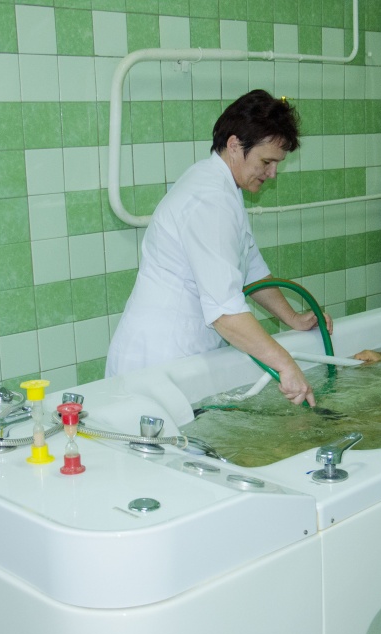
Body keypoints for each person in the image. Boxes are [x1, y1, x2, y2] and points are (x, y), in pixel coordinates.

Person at [105, 90, 330, 406]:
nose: (272, 173)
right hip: (158, 361)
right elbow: (225, 312)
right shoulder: (210, 200)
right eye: (266, 162)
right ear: (235, 145)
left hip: (182, 357)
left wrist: (293, 318)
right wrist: (286, 364)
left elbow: (251, 270)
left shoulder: (224, 188)